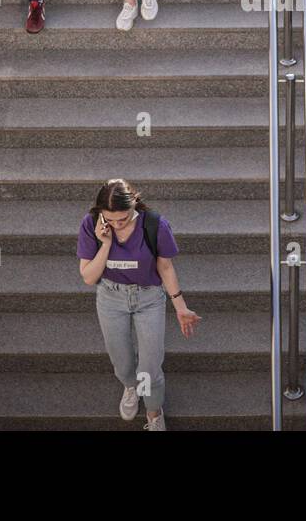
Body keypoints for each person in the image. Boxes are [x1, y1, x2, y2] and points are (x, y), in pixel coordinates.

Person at [77, 179, 201, 431]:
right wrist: (106, 244)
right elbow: (89, 277)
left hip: (148, 298)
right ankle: (130, 387)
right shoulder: (91, 224)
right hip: (111, 297)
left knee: (150, 365)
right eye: (110, 219)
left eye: (123, 219)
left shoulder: (155, 224)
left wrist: (181, 307)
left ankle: (154, 413)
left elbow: (165, 266)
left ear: (134, 206)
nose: (117, 224)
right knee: (121, 360)